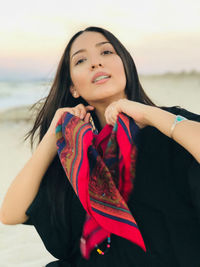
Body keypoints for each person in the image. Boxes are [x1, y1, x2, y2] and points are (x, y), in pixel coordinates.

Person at [0, 26, 200, 267]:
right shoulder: (75, 155)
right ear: (73, 87)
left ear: (125, 65)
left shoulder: (171, 126)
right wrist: (55, 134)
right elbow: (10, 214)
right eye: (81, 60)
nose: (95, 63)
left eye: (106, 52)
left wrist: (149, 114)